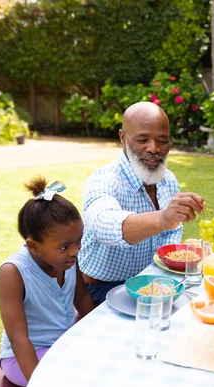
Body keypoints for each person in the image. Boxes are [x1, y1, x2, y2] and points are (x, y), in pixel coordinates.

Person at [78, 102, 206, 305]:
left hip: (153, 280)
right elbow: (103, 225)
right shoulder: (104, 180)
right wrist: (164, 218)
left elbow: (171, 234)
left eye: (162, 140)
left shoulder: (168, 180)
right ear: (123, 138)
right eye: (142, 140)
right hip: (101, 289)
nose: (154, 149)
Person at [0, 177, 94, 387]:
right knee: (76, 383)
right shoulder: (13, 273)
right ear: (33, 246)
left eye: (79, 240)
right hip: (25, 358)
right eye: (64, 246)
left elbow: (82, 297)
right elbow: (18, 339)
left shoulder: (69, 259)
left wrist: (96, 337)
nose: (75, 250)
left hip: (63, 345)